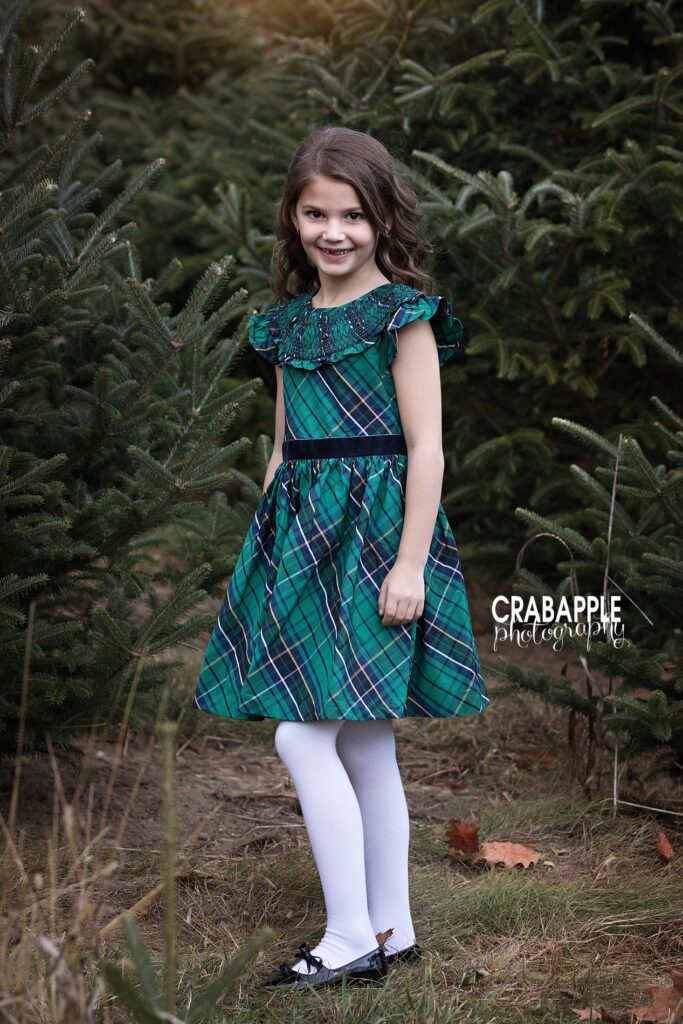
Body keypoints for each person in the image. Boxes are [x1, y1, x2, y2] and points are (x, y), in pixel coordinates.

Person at [192, 125, 491, 992]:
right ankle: (391, 931)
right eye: (315, 213)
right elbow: (284, 447)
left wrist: (408, 565)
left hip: (376, 541)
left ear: (381, 220)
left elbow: (426, 450)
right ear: (292, 218)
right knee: (361, 742)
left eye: (352, 215)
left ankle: (348, 931)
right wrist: (264, 548)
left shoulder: (402, 317)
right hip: (300, 542)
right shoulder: (284, 328)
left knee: (299, 732)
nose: (334, 232)